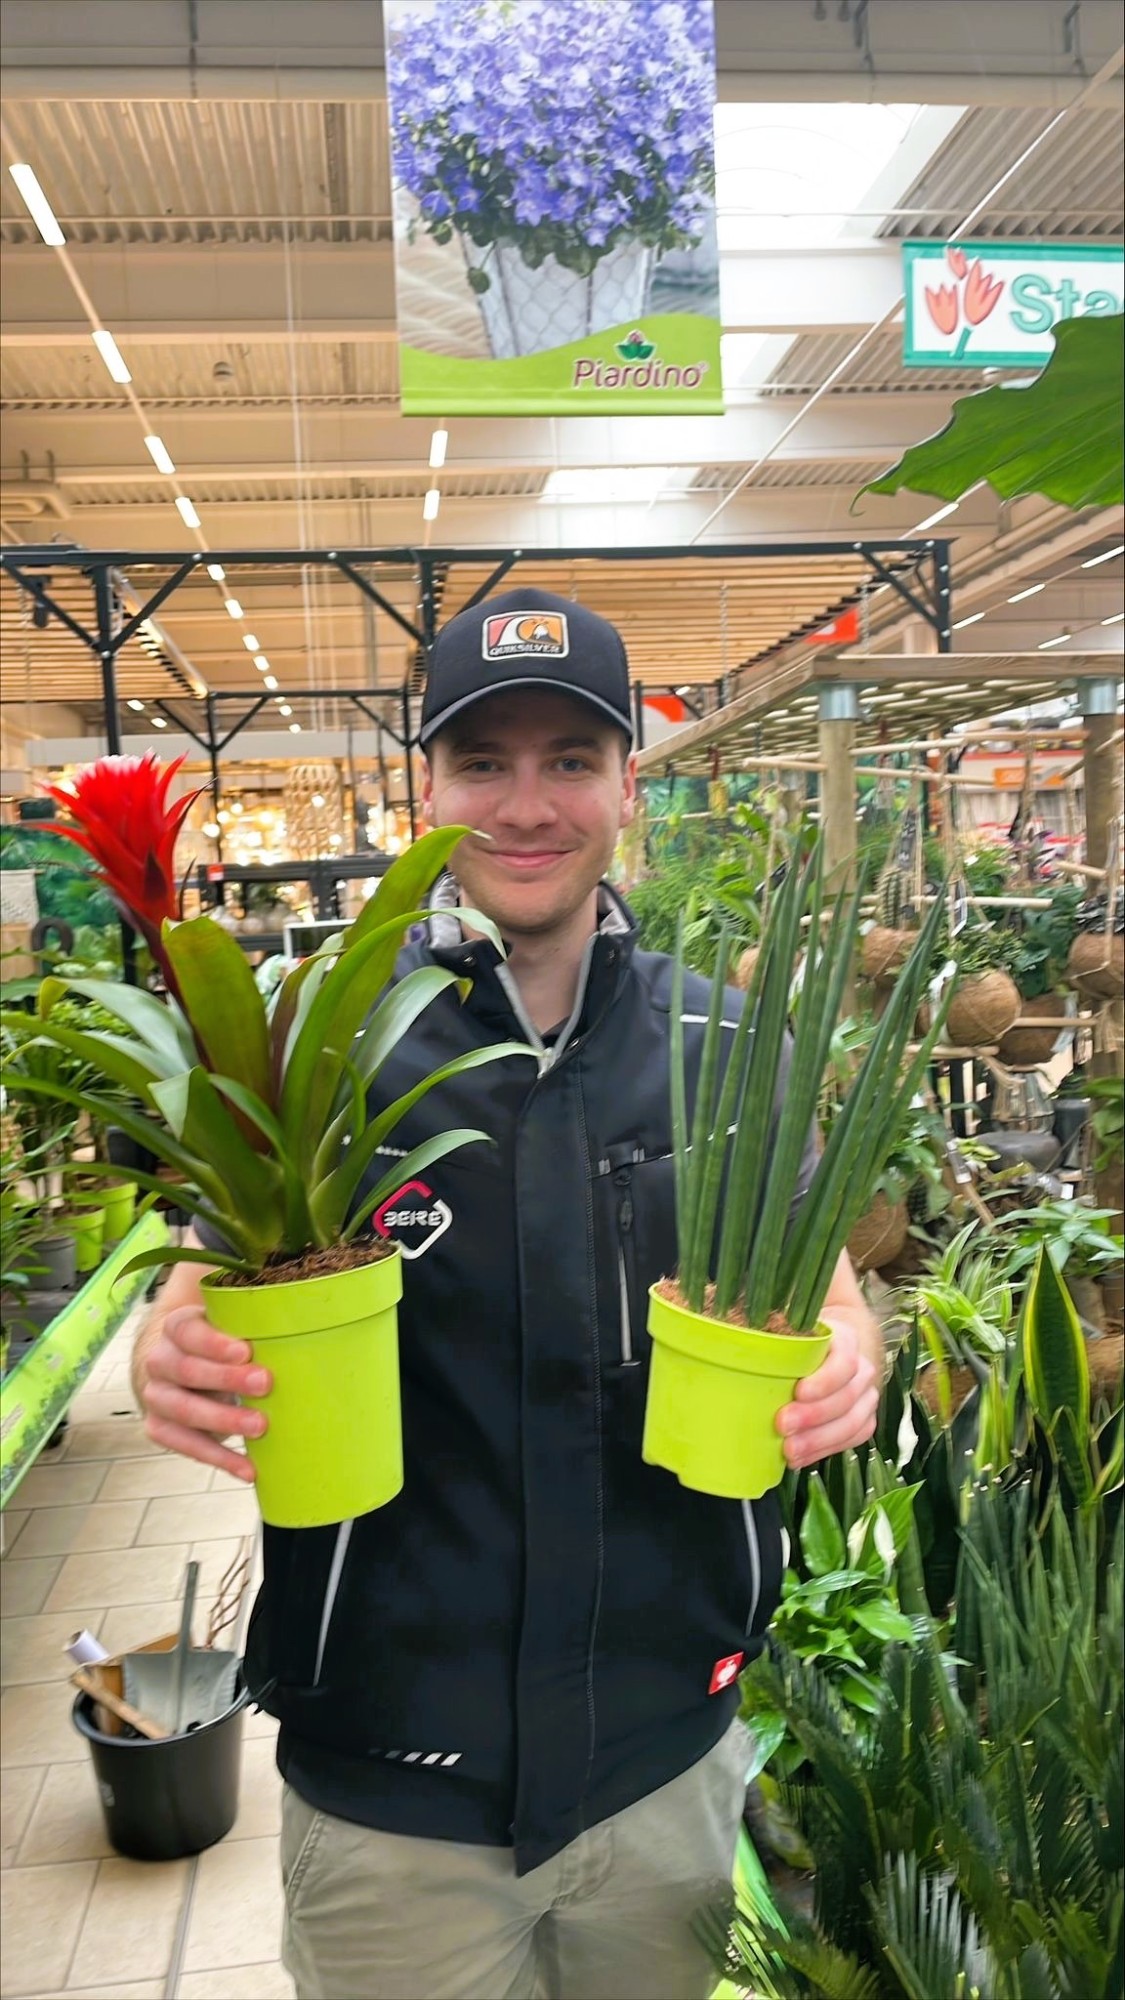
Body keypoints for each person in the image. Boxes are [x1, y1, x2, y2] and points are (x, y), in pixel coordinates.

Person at [133, 587, 883, 2000]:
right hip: (390, 1784)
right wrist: (164, 1354)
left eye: (569, 760)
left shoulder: (728, 1041)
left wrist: (853, 1354)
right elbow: (194, 1284)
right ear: (425, 788)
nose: (526, 805)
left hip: (662, 1761)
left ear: (626, 785)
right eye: (483, 761)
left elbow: (835, 1294)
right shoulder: (319, 1036)